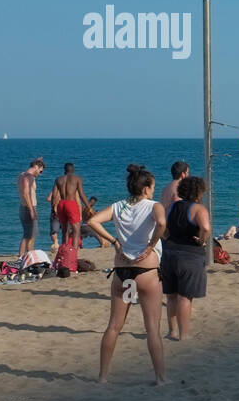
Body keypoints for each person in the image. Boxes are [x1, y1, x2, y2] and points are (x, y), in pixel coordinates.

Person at [85, 164, 168, 385]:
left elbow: (91, 221)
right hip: (147, 270)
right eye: (152, 187)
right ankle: (160, 378)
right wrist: (151, 244)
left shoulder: (118, 206)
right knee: (152, 327)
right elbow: (161, 222)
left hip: (122, 270)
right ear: (146, 188)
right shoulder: (153, 205)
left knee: (114, 325)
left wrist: (114, 241)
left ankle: (102, 377)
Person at [161, 176, 212, 341]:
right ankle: (184, 335)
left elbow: (161, 225)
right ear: (199, 192)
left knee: (171, 295)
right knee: (185, 297)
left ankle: (172, 331)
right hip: (189, 254)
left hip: (169, 252)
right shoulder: (198, 209)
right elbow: (205, 227)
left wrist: (167, 237)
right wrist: (202, 241)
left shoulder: (172, 206)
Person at [51, 162, 93, 273]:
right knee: (76, 229)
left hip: (61, 204)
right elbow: (82, 194)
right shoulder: (77, 178)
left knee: (64, 229)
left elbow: (54, 196)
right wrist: (89, 207)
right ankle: (73, 254)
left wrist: (53, 209)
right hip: (70, 203)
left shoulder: (58, 179)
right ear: (73, 170)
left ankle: (65, 251)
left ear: (64, 170)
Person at [16, 158, 45, 256]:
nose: (40, 174)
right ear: (37, 167)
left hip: (23, 207)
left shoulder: (22, 175)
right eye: (41, 171)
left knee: (27, 234)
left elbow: (24, 192)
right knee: (31, 235)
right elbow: (26, 194)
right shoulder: (30, 177)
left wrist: (36, 161)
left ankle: (21, 257)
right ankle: (29, 256)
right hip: (29, 207)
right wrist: (31, 210)